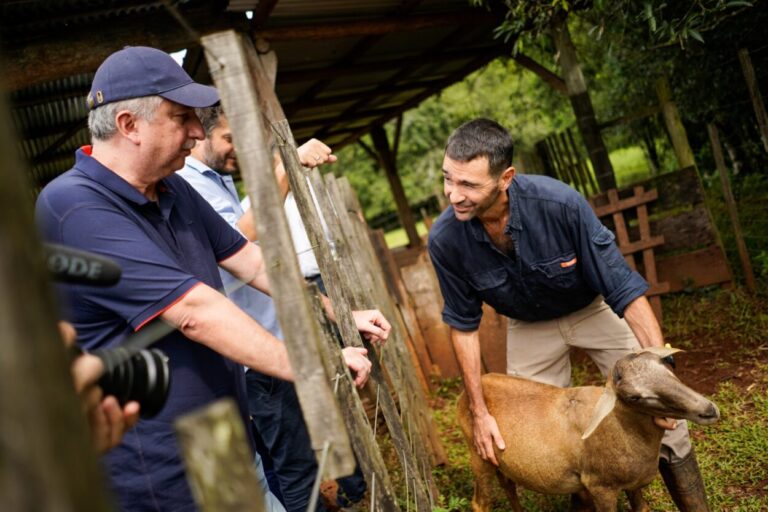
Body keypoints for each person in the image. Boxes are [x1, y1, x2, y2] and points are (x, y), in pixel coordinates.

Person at [35, 46, 389, 512]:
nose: (197, 132)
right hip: (161, 467)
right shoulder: (75, 207)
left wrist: (339, 314)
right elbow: (196, 313)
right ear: (128, 125)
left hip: (217, 433)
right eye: (182, 117)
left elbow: (254, 262)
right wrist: (316, 366)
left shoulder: (173, 187)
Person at [427, 118, 710, 511]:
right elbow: (463, 327)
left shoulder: (560, 204)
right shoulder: (445, 240)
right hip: (527, 324)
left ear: (506, 177)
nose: (453, 195)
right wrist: (479, 413)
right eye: (448, 179)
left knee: (664, 415)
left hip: (591, 308)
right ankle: (586, 495)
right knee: (532, 434)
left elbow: (625, 291)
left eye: (469, 185)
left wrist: (663, 374)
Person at [177, 105, 366, 511]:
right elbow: (237, 241)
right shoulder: (187, 184)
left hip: (267, 344)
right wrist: (287, 167)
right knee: (298, 472)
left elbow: (258, 258)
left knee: (282, 468)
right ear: (201, 135)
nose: (237, 151)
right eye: (229, 139)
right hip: (254, 355)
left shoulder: (217, 180)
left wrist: (333, 310)